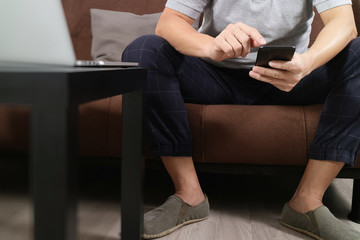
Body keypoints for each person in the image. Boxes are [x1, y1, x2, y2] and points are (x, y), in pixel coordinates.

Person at [122, 0, 360, 239]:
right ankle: (188, 194)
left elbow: (344, 23)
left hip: (287, 79)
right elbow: (169, 23)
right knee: (143, 50)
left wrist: (307, 63)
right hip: (213, 77)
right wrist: (211, 46)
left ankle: (307, 201)